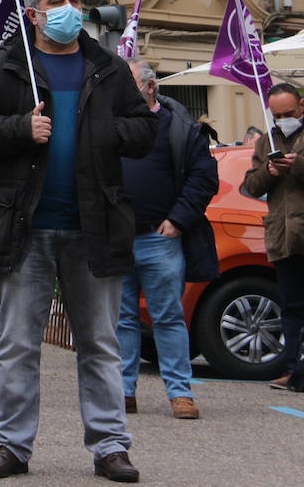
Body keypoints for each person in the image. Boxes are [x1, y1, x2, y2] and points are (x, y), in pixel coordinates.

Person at [0, 0, 157, 483]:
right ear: (33, 13)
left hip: (95, 225)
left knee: (100, 342)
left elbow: (144, 129)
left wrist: (105, 130)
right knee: (18, 343)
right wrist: (22, 127)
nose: (69, 7)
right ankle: (11, 446)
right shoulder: (4, 67)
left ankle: (111, 447)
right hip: (26, 228)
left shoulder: (108, 68)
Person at [116, 58, 219, 419]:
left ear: (150, 86)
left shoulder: (180, 128)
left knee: (168, 317)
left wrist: (177, 220)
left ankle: (180, 393)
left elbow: (204, 178)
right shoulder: (110, 127)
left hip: (160, 239)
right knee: (121, 319)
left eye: (128, 84)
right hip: (117, 238)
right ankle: (124, 392)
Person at [242, 83, 304, 390]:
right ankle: (294, 369)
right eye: (277, 114)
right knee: (292, 307)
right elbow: (251, 186)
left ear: (302, 105)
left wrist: (300, 166)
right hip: (284, 237)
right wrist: (269, 173)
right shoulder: (267, 140)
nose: (283, 119)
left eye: (288, 113)